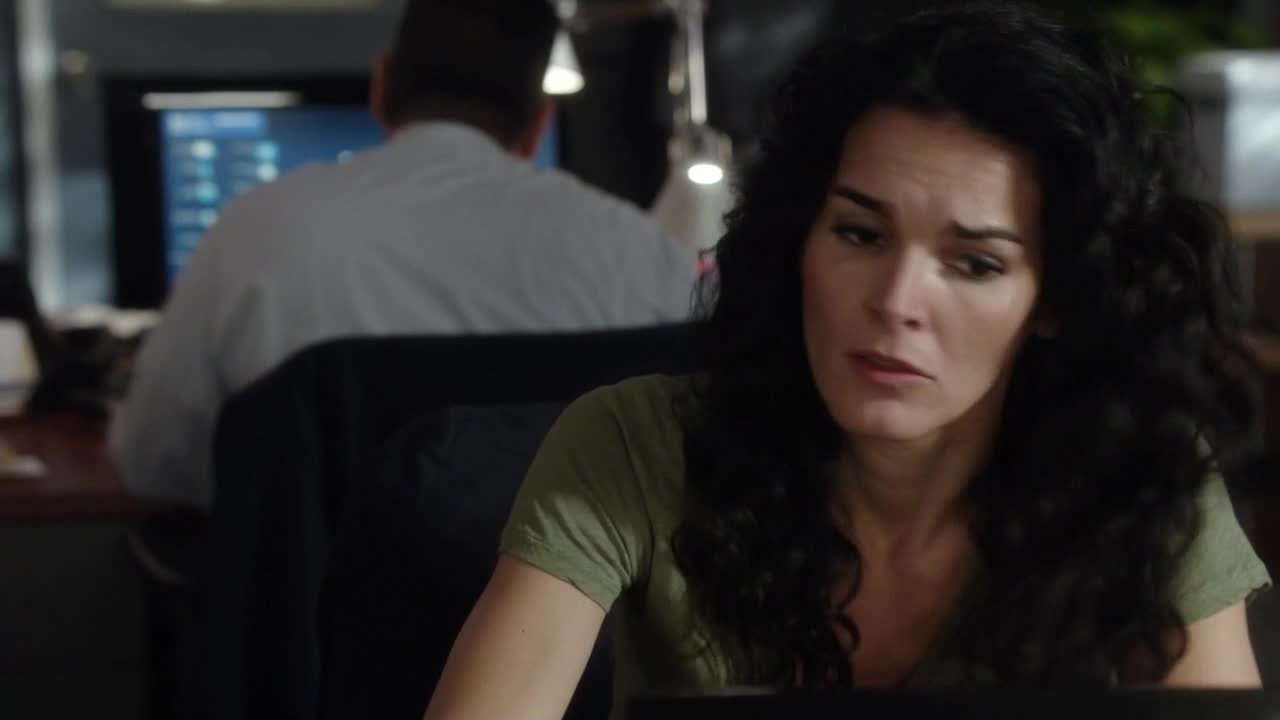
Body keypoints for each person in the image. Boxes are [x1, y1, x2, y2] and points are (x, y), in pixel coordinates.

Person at [423, 3, 1273, 719]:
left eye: (975, 263)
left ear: (1054, 299)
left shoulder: (1139, 474)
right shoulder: (632, 446)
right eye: (860, 235)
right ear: (800, 242)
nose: (897, 300)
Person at [110, 0, 698, 510]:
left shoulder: (252, 230)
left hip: (323, 607)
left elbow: (153, 461)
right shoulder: (644, 255)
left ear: (381, 86)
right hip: (578, 608)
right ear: (539, 121)